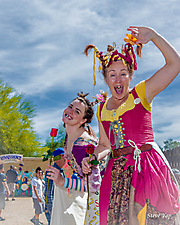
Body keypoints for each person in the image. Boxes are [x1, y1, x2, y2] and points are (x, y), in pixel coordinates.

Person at [82, 26, 180, 225]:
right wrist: (92, 158)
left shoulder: (142, 93)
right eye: (112, 74)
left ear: (130, 76)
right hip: (116, 175)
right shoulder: (101, 109)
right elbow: (105, 144)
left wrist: (153, 36)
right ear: (106, 79)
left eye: (123, 74)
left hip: (146, 170)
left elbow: (175, 64)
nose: (118, 79)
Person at [47, 93, 102, 225]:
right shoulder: (69, 137)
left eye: (77, 111)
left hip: (96, 203)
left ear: (83, 120)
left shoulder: (82, 145)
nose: (70, 111)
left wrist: (62, 181)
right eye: (70, 106)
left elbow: (92, 186)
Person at [44, 148, 65, 225]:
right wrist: (51, 209)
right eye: (65, 156)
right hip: (53, 207)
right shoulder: (52, 171)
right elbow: (49, 192)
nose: (66, 159)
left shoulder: (59, 171)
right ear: (61, 156)